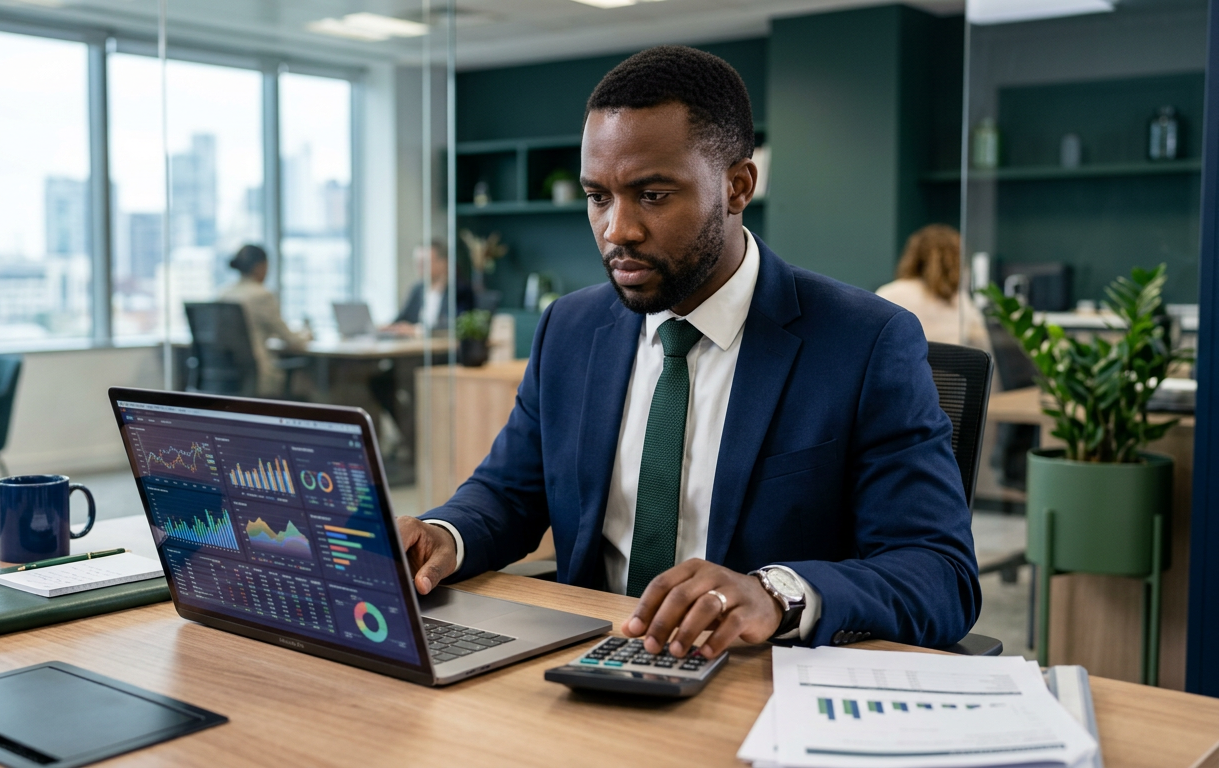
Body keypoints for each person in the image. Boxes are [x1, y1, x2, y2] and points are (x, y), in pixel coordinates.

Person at [397, 46, 979, 658]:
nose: (617, 229)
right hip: (587, 667)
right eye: (598, 197)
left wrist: (775, 594)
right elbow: (510, 493)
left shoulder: (866, 342)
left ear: (737, 186)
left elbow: (938, 572)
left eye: (652, 195)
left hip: (757, 686)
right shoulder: (569, 328)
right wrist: (443, 533)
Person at [217, 244, 311, 398]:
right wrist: (307, 335)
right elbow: (291, 340)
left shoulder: (223, 294)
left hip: (226, 378)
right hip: (257, 377)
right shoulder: (262, 295)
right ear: (259, 267)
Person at [876, 224, 990, 350]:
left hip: (903, 369)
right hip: (951, 370)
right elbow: (983, 351)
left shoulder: (889, 294)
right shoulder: (961, 301)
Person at [382, 240, 474, 336]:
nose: (419, 266)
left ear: (443, 263)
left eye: (424, 262)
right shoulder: (417, 289)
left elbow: (457, 325)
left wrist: (417, 331)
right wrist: (387, 327)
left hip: (442, 348)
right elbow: (403, 318)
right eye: (417, 262)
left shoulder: (459, 290)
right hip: (415, 346)